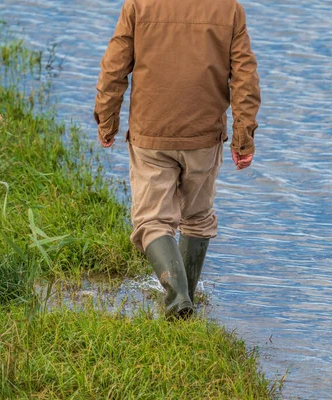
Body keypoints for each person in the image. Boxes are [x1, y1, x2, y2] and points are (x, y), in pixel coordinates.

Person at [94, 0, 261, 318]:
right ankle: (185, 302)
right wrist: (243, 139)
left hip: (151, 134)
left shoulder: (138, 5)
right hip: (203, 136)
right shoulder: (229, 9)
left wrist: (107, 120)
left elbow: (114, 68)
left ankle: (177, 299)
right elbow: (245, 81)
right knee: (197, 218)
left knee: (153, 221)